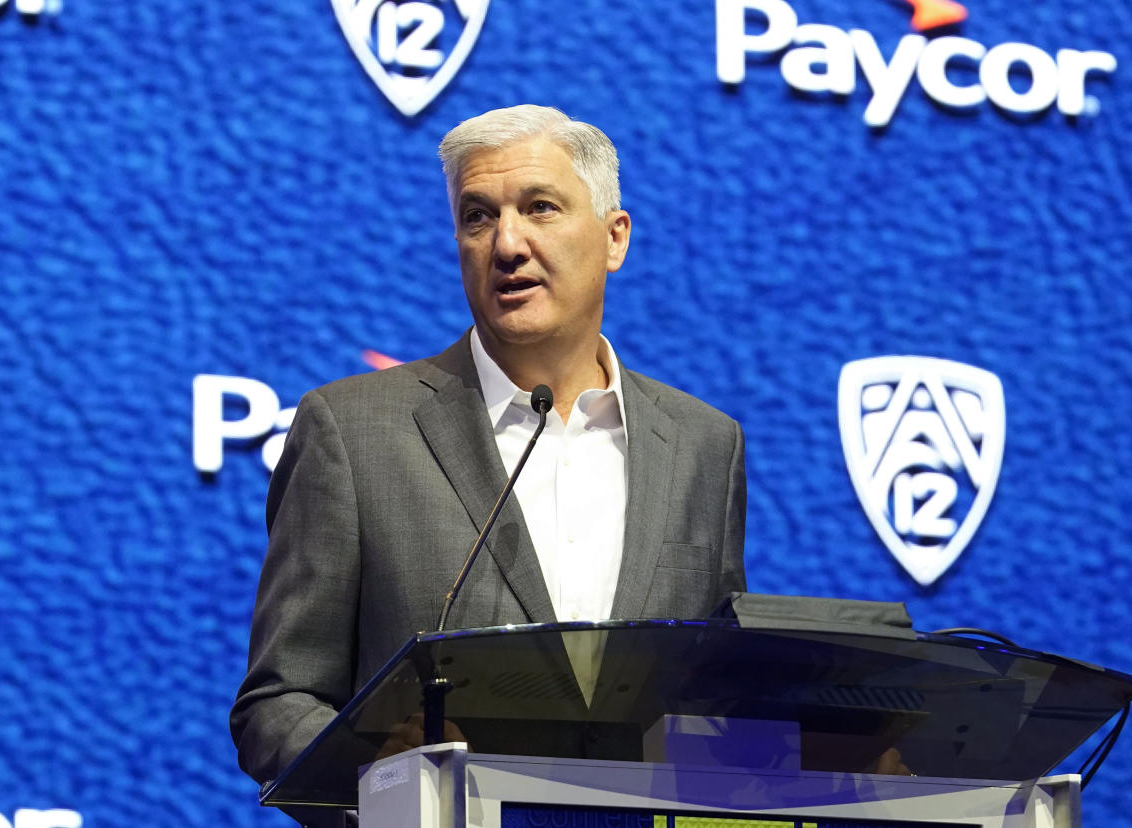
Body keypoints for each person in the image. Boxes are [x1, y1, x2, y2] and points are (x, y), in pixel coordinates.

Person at [229, 105, 747, 824]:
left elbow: (719, 696)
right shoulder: (353, 432)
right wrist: (379, 781)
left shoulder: (703, 445)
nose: (508, 244)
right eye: (478, 217)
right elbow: (278, 701)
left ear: (614, 237)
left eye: (540, 207)